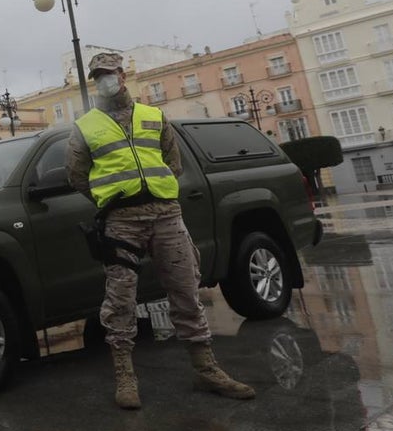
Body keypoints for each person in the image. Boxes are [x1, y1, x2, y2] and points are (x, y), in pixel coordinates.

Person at [66, 51, 255, 410]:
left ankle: (206, 369)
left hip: (166, 214)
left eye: (109, 73)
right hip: (121, 221)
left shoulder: (153, 116)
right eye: (98, 76)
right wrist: (110, 197)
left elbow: (174, 163)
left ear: (123, 75)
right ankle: (125, 376)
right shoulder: (85, 126)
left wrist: (154, 188)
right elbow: (77, 176)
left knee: (185, 289)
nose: (105, 80)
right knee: (120, 298)